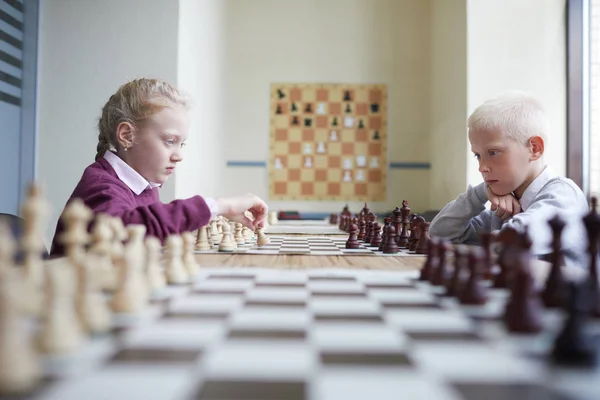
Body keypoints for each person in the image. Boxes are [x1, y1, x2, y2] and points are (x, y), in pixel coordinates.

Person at [50, 78, 268, 257]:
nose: (179, 155)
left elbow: (152, 230)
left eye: (182, 144)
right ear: (127, 135)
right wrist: (220, 205)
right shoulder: (101, 186)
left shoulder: (145, 187)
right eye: (169, 141)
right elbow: (128, 231)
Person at [429, 90, 590, 269]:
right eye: (478, 156)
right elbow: (439, 233)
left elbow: (513, 240)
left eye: (493, 153)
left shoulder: (563, 195)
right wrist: (481, 192)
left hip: (563, 296)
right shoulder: (505, 205)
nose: (482, 167)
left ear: (534, 149)